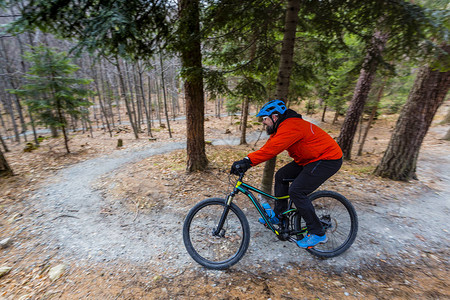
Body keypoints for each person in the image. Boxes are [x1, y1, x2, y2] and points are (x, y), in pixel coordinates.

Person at [230, 99, 343, 248]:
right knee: (281, 176)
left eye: (265, 118)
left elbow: (271, 150)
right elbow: (269, 146)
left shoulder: (291, 126)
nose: (263, 122)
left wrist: (247, 161)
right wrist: (246, 160)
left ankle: (318, 233)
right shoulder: (282, 127)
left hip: (327, 159)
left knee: (297, 191)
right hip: (310, 159)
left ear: (275, 116)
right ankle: (279, 215)